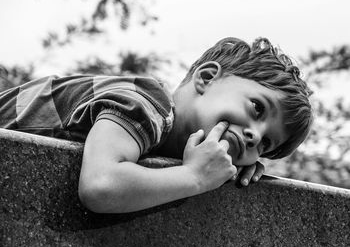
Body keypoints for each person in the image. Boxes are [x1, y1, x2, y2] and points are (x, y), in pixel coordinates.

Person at [0, 37, 313, 213]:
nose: (254, 136)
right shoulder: (147, 103)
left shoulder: (164, 136)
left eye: (265, 144)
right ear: (206, 78)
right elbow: (100, 186)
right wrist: (195, 176)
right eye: (257, 108)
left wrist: (234, 170)